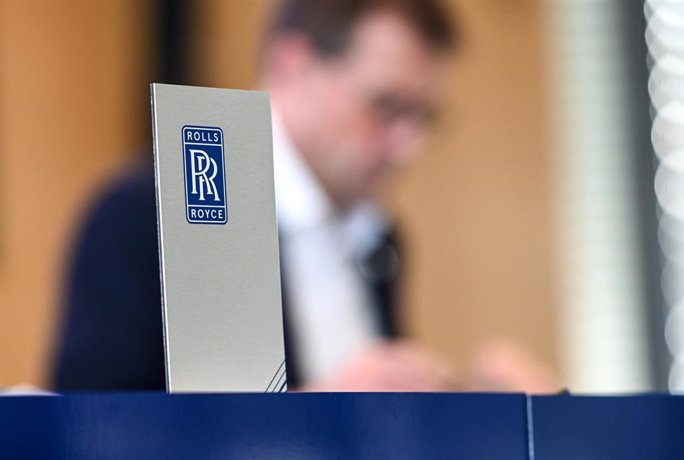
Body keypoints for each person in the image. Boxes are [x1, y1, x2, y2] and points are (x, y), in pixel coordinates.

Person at [53, 0, 558, 393]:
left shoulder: (381, 234)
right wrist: (329, 406)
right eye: (385, 106)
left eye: (423, 117)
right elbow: (88, 427)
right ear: (290, 65)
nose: (411, 147)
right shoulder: (144, 214)